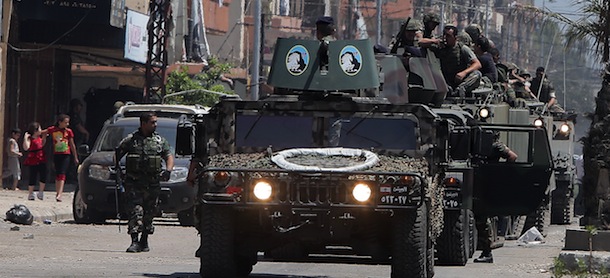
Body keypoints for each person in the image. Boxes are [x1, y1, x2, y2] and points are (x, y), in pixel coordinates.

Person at [115, 112, 174, 253]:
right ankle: (134, 241)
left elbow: (168, 156)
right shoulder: (131, 140)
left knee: (149, 212)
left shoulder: (160, 141)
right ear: (143, 123)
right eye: (152, 122)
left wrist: (168, 170)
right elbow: (117, 154)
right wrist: (118, 171)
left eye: (155, 122)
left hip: (152, 183)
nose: (155, 125)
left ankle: (144, 240)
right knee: (135, 211)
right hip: (134, 183)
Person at [474, 132, 517, 263]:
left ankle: (487, 252)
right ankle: (486, 251)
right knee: (481, 218)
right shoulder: (487, 146)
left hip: (487, 185)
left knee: (482, 218)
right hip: (482, 184)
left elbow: (513, 156)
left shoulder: (496, 146)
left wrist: (500, 171)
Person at [421, 24, 482, 97]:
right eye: (444, 35)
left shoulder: (462, 48)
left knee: (477, 74)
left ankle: (459, 90)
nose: (445, 38)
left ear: (455, 38)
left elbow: (477, 64)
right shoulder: (440, 47)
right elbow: (421, 42)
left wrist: (464, 73)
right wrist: (434, 41)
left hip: (459, 79)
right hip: (445, 80)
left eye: (448, 36)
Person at [45, 114, 79, 202]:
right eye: (65, 122)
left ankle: (60, 194)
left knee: (62, 173)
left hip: (66, 154)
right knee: (57, 173)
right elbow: (43, 132)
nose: (67, 124)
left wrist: (75, 156)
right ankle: (57, 192)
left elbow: (72, 144)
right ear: (60, 122)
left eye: (68, 122)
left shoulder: (69, 131)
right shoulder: (53, 129)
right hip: (56, 154)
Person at [23, 122, 47, 200]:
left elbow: (42, 144)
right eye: (39, 128)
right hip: (33, 159)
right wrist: (25, 138)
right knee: (32, 176)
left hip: (41, 157)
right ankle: (30, 193)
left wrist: (44, 137)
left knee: (43, 175)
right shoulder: (30, 139)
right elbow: (26, 147)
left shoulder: (40, 138)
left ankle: (41, 192)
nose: (41, 130)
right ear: (35, 130)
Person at [67, 98, 89, 184]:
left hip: (76, 139)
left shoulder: (74, 115)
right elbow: (78, 126)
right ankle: (71, 176)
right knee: (74, 158)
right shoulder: (74, 116)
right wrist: (86, 133)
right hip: (74, 140)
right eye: (79, 106)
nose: (80, 108)